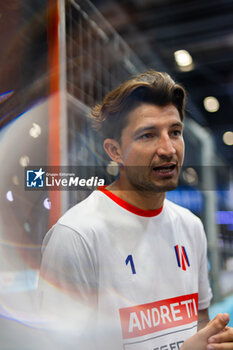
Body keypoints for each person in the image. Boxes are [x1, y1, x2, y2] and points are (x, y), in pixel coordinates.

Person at [38, 71, 233, 350]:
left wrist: (213, 340)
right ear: (115, 151)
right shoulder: (76, 236)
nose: (168, 149)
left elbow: (199, 321)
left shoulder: (190, 226)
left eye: (175, 132)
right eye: (148, 135)